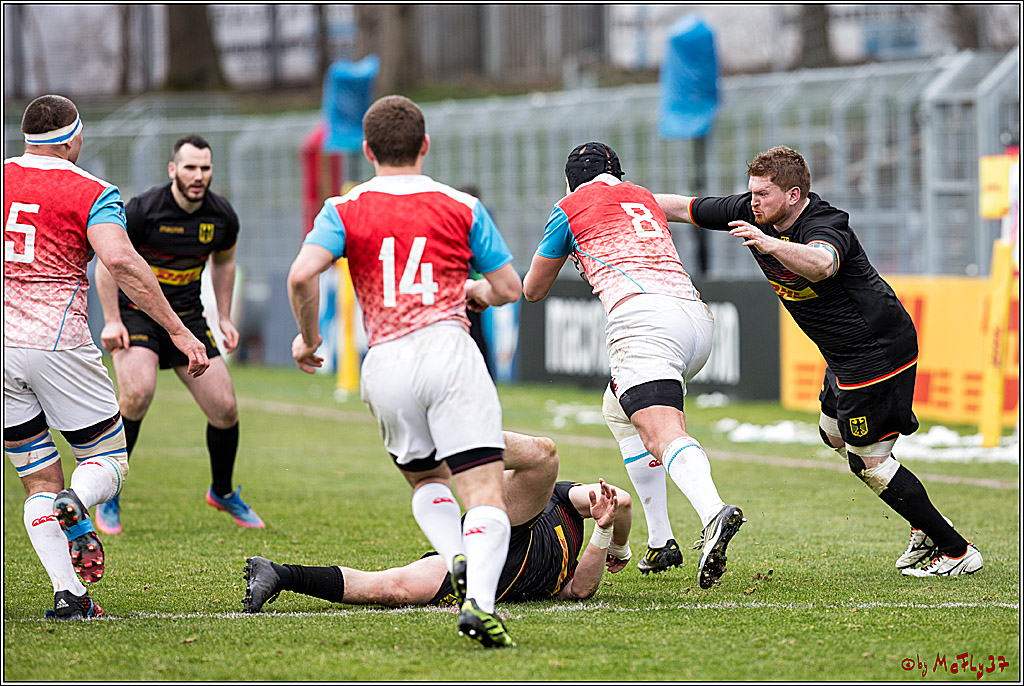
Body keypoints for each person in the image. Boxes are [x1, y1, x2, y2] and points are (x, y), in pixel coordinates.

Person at [654, 145, 982, 577]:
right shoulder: (753, 212)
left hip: (876, 353)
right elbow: (682, 207)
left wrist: (770, 244)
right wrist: (614, 199)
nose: (752, 201)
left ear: (793, 195)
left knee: (868, 461)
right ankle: (922, 520)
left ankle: (955, 550)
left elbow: (822, 265)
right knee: (832, 436)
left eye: (763, 194)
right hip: (843, 357)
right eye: (750, 192)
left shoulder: (826, 223)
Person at [286, 95, 523, 647]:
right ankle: (479, 603)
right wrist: (476, 292)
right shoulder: (459, 204)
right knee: (484, 489)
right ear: (425, 145)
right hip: (448, 348)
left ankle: (456, 556)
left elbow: (301, 276)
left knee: (423, 478)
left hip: (386, 359)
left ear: (367, 150)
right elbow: (510, 288)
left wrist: (310, 338)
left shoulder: (344, 206)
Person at [3, 94, 210, 620]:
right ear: (73, 139)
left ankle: (69, 596)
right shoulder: (92, 190)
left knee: (36, 482)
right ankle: (79, 500)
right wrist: (180, 333)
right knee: (108, 461)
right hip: (59, 345)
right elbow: (121, 261)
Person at [523, 142, 744, 590]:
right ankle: (661, 540)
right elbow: (693, 208)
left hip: (643, 321)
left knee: (663, 433)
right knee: (618, 409)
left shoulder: (568, 207)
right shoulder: (643, 196)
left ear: (570, 181)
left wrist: (572, 247)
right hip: (697, 319)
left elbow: (533, 290)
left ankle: (712, 512)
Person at [241, 432, 632, 615]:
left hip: (476, 569)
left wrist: (604, 533)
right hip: (513, 528)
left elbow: (580, 591)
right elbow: (624, 501)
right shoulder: (564, 499)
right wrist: (621, 549)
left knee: (390, 588)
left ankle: (278, 574)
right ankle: (459, 438)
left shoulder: (569, 572)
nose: (599, 507)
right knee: (544, 456)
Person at [93, 135, 264, 534]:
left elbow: (224, 264)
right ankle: (109, 491)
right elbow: (107, 264)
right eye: (190, 167)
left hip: (187, 319)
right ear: (173, 170)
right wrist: (112, 320)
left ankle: (222, 492)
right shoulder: (142, 210)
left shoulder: (221, 216)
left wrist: (223, 317)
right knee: (137, 393)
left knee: (225, 409)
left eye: (205, 168)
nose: (198, 175)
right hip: (136, 315)